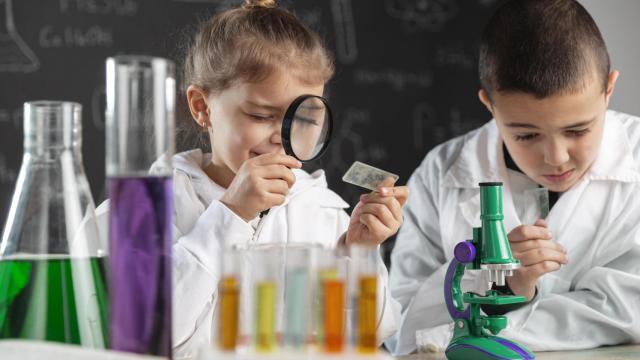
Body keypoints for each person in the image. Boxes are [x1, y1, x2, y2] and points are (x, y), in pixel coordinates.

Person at [96, 0, 407, 357]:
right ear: (202, 107)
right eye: (261, 116)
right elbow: (135, 336)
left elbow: (367, 337)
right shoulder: (141, 208)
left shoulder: (321, 209)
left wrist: (359, 255)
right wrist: (228, 215)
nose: (283, 138)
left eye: (305, 120)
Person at [386, 0, 640, 355]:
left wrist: (492, 311)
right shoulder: (439, 173)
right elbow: (403, 322)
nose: (557, 158)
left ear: (608, 89)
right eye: (526, 135)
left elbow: (630, 310)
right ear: (489, 104)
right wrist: (506, 287)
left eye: (578, 129)